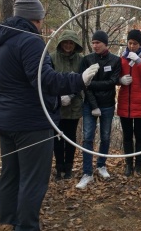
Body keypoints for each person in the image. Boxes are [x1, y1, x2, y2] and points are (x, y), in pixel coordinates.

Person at [0, 0, 99, 231]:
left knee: (11, 173)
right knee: (33, 179)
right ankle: (26, 226)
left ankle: (8, 218)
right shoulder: (30, 40)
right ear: (35, 18)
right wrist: (79, 80)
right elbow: (44, 80)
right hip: (32, 123)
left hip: (5, 121)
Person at [76, 30, 121, 189]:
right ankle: (87, 173)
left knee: (106, 136)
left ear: (105, 44)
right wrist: (94, 105)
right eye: (93, 42)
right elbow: (84, 84)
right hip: (90, 105)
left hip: (108, 104)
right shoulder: (87, 60)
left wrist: (92, 84)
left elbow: (112, 82)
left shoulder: (115, 60)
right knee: (87, 137)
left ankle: (101, 165)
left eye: (98, 43)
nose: (95, 45)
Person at [117, 29, 141, 176]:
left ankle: (138, 165)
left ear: (140, 44)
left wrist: (139, 62)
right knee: (127, 136)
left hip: (140, 102)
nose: (132, 46)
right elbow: (116, 75)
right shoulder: (122, 58)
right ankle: (128, 165)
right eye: (130, 43)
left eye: (135, 43)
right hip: (124, 102)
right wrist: (120, 80)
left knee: (139, 135)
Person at [50, 30, 84, 180]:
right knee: (57, 137)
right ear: (61, 43)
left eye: (71, 43)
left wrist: (71, 95)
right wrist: (59, 96)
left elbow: (83, 80)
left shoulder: (80, 60)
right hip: (56, 105)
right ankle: (59, 167)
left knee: (70, 137)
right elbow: (48, 80)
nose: (68, 45)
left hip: (74, 104)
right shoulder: (51, 58)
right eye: (66, 42)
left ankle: (68, 167)